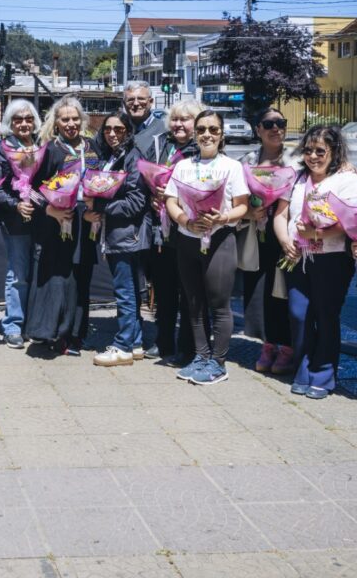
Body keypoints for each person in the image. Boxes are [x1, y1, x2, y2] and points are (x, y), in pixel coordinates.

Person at [274, 125, 357, 399]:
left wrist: (318, 233)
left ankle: (323, 374)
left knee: (326, 316)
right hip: (297, 258)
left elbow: (353, 221)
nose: (313, 156)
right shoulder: (297, 178)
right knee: (299, 315)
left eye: (320, 150)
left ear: (334, 151)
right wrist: (284, 241)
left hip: (331, 259)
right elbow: (280, 215)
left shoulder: (347, 180)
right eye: (309, 150)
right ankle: (302, 369)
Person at [165, 110, 249, 385]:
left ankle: (218, 362)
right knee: (193, 303)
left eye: (213, 129)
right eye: (201, 129)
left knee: (219, 305)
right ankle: (200, 356)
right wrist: (185, 222)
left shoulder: (232, 167)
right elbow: (171, 201)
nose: (207, 135)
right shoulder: (183, 165)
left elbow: (242, 206)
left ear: (221, 134)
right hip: (188, 240)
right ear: (195, 133)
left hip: (220, 240)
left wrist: (222, 218)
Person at [24, 96, 100, 356]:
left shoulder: (92, 147)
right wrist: (51, 210)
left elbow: (102, 183)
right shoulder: (49, 150)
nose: (71, 123)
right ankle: (51, 333)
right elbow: (32, 189)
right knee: (58, 278)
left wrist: (96, 210)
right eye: (65, 119)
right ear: (55, 122)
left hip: (86, 221)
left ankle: (75, 336)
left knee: (81, 278)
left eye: (75, 118)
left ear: (83, 120)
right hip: (58, 220)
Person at [88, 112, 149, 366]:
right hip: (118, 234)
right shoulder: (113, 156)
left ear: (128, 132)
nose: (113, 134)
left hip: (126, 235)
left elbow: (136, 202)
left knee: (125, 292)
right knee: (131, 291)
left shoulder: (133, 158)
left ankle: (123, 345)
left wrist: (101, 207)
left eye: (119, 130)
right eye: (108, 129)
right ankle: (134, 342)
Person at [143, 98, 202, 363]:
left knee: (188, 291)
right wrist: (153, 195)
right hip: (161, 229)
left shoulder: (200, 148)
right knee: (164, 289)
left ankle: (188, 347)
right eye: (175, 119)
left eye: (185, 119)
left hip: (187, 228)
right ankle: (163, 340)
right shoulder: (162, 144)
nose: (178, 124)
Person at [239, 108, 297, 375]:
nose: (276, 128)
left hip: (288, 237)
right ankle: (268, 343)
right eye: (269, 124)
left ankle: (287, 347)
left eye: (280, 123)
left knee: (283, 293)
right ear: (258, 130)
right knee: (261, 293)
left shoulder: (297, 160)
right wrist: (250, 212)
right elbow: (236, 197)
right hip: (258, 234)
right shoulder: (247, 161)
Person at [0, 99, 41, 349]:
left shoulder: (43, 144)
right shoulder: (2, 148)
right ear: (10, 123)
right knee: (18, 273)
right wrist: (16, 204)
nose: (24, 123)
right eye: (18, 119)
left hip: (43, 217)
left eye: (28, 118)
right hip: (15, 219)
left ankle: (34, 322)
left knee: (38, 272)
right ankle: (13, 325)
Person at [123, 81, 166, 162]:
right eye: (131, 100)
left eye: (141, 99)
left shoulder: (164, 130)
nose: (136, 103)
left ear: (151, 102)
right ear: (124, 104)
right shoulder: (116, 129)